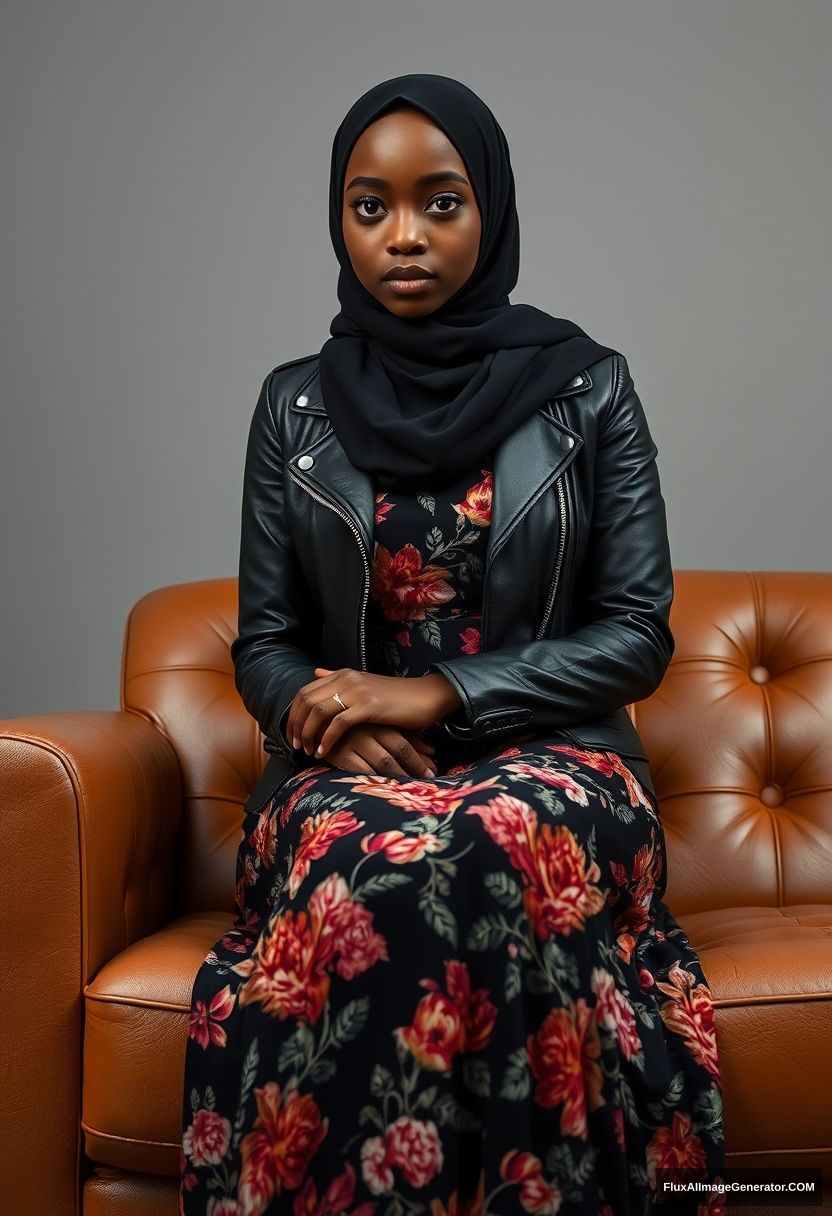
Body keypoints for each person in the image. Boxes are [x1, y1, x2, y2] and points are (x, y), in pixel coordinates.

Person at [180, 74, 725, 1216]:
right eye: (368, 206)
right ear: (337, 222)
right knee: (364, 863)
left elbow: (634, 634)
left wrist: (429, 692)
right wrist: (333, 721)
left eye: (440, 201)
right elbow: (267, 642)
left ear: (492, 212)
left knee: (488, 837)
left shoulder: (588, 389)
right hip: (345, 769)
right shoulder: (294, 409)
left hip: (558, 759)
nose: (404, 236)